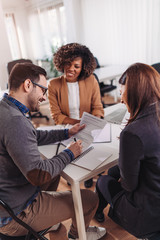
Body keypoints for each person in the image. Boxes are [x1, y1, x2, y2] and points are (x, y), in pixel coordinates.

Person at [0, 63, 106, 240]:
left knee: (55, 173)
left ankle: (54, 214)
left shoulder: (6, 109)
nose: (43, 97)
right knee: (89, 199)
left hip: (9, 199)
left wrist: (66, 132)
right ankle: (77, 235)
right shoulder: (16, 122)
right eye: (43, 90)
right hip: (16, 213)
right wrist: (69, 153)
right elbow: (38, 175)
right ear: (28, 85)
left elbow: (31, 136)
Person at [95, 63, 160, 239]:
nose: (121, 101)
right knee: (115, 170)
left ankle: (96, 212)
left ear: (136, 95)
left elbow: (129, 185)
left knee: (103, 181)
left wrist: (126, 168)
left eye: (123, 95)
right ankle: (98, 211)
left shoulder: (133, 133)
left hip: (149, 213)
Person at [48, 43, 104, 188]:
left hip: (87, 126)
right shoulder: (53, 85)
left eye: (76, 66)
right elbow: (56, 116)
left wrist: (93, 120)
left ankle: (88, 174)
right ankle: (73, 174)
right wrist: (77, 123)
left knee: (89, 151)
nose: (71, 68)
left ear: (83, 67)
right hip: (66, 128)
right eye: (68, 63)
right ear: (62, 62)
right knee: (72, 155)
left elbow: (97, 107)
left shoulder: (91, 81)